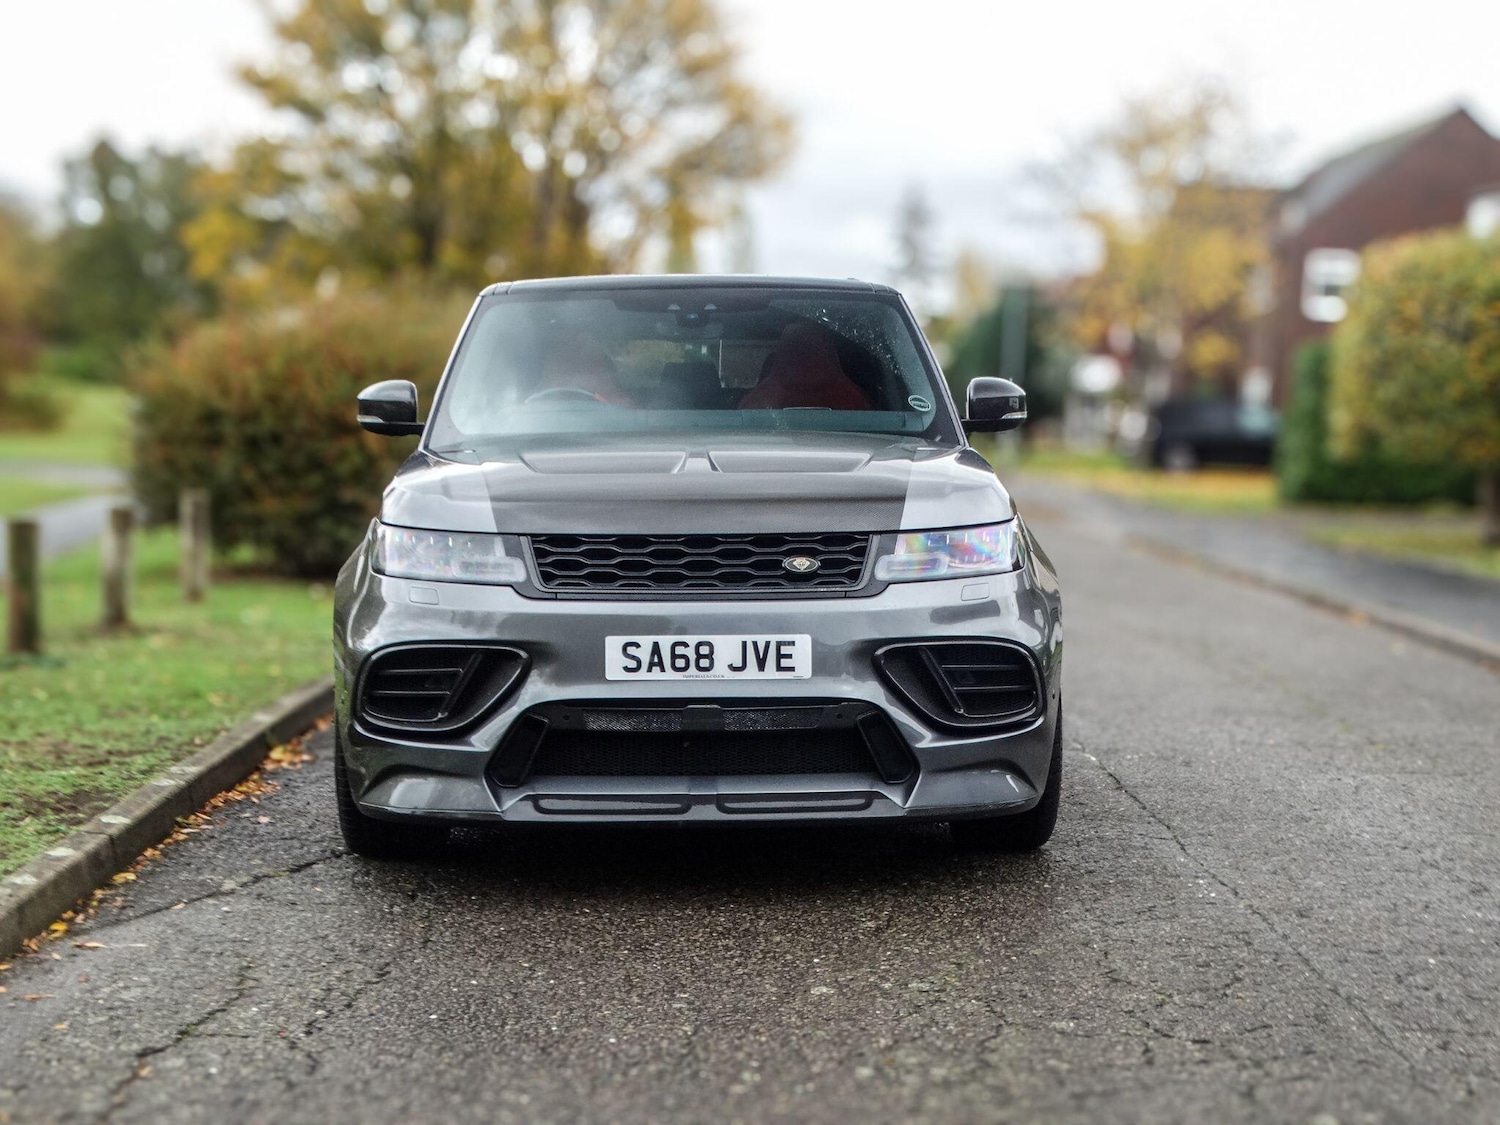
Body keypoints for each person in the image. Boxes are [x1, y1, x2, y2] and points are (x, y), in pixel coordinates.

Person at [738, 322, 872, 411]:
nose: (804, 359)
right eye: (797, 350)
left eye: (810, 350)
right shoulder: (854, 399)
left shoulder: (757, 401)